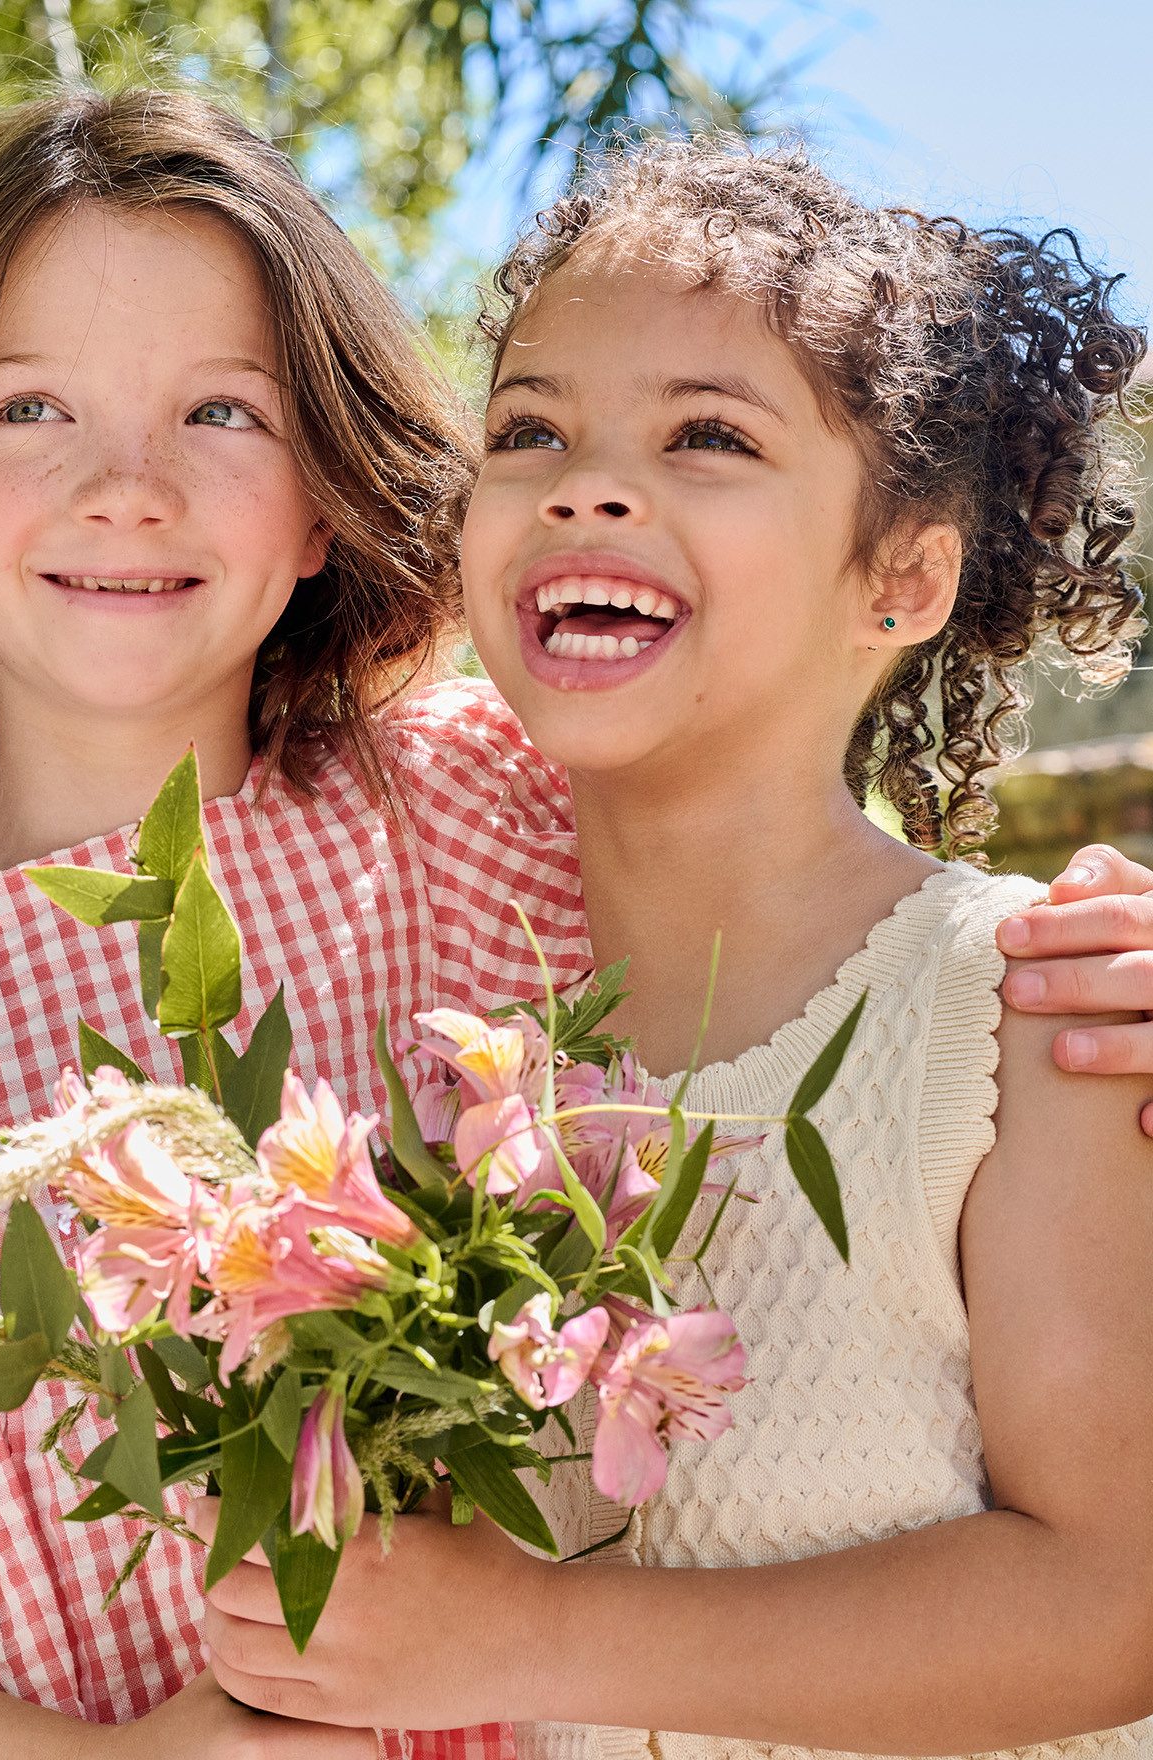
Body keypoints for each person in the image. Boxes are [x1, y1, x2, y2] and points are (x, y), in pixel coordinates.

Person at [193, 136, 1153, 1759]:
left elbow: (1116, 1604)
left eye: (709, 435)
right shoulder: (471, 1065)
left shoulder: (1024, 1016)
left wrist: (528, 1640)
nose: (586, 483)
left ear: (904, 575)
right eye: (530, 431)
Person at [0, 88, 590, 1759]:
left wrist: (1042, 947)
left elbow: (785, 901)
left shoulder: (466, 815)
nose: (126, 487)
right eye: (30, 407)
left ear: (322, 501)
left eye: (222, 413)